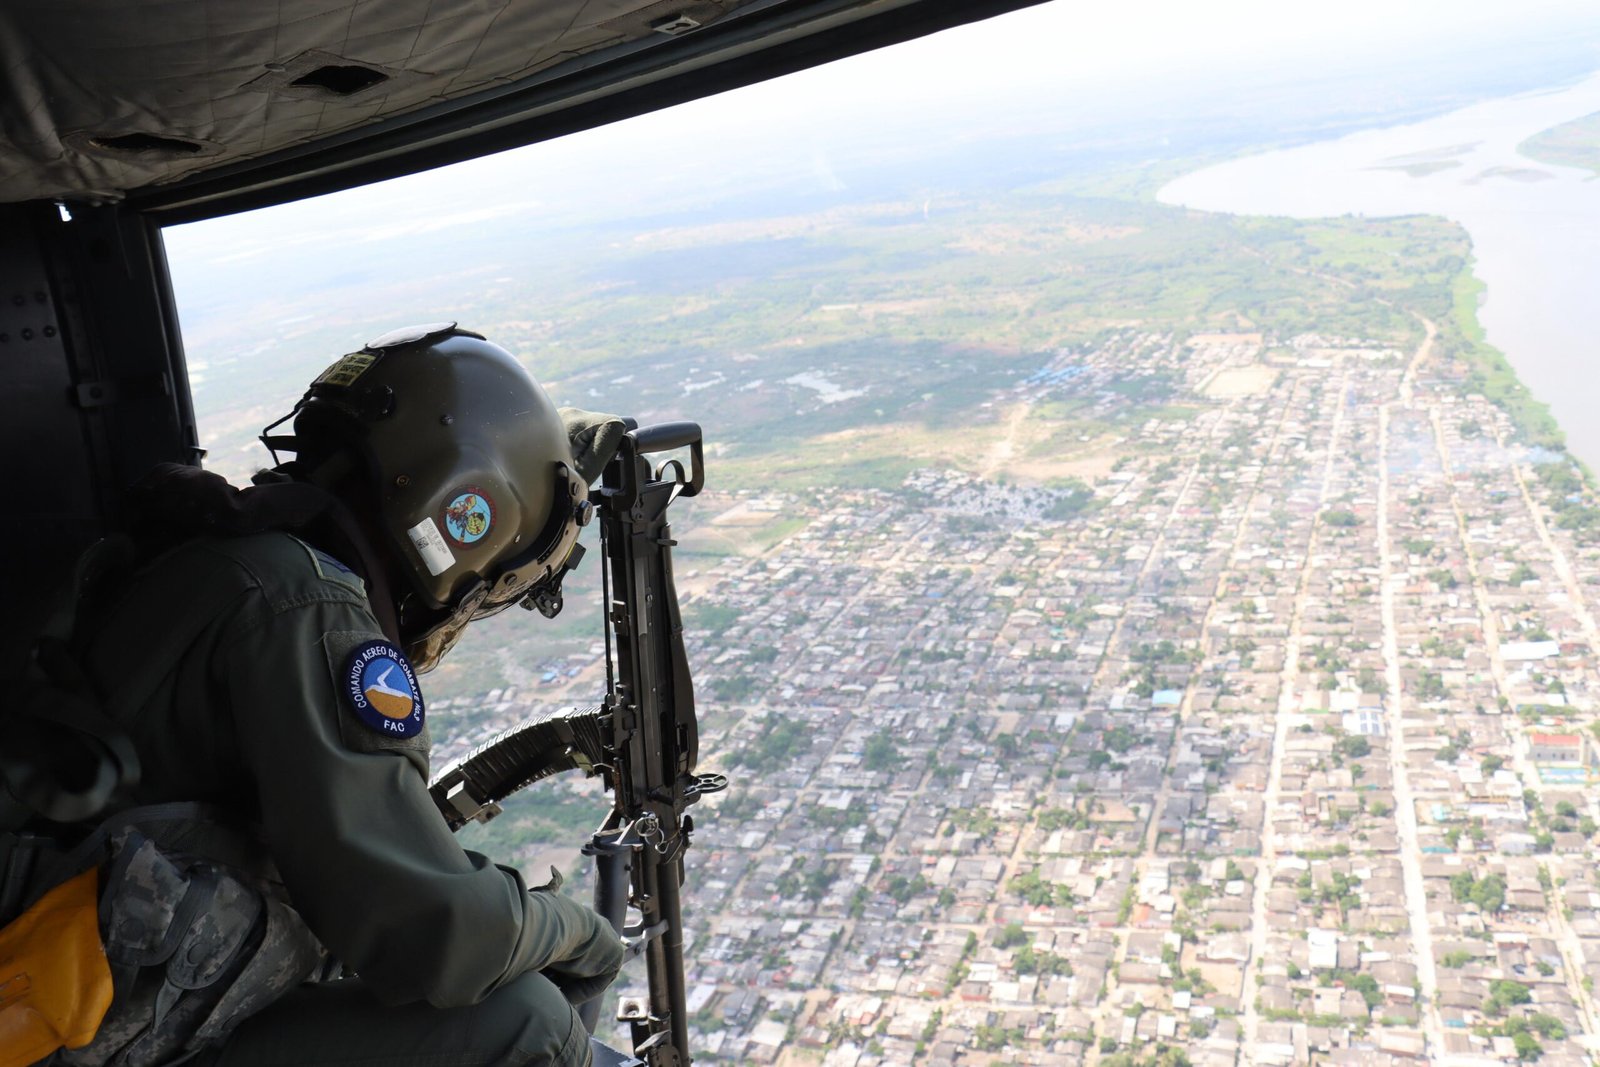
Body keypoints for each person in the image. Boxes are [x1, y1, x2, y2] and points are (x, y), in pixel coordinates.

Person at [12, 324, 630, 1067]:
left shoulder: (218, 553)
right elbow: (434, 933)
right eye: (487, 586)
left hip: (70, 1002)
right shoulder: (303, 604)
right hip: (64, 1033)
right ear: (460, 507)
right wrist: (582, 933)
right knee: (527, 1026)